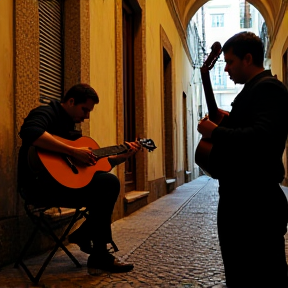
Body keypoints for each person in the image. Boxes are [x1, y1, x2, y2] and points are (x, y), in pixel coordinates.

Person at [17, 83, 141, 276]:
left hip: (62, 185)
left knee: (106, 182)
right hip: (39, 187)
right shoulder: (46, 112)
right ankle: (92, 246)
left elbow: (86, 169)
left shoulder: (70, 128)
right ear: (71, 101)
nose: (87, 116)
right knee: (108, 184)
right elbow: (30, 132)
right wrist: (73, 150)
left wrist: (120, 157)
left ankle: (89, 241)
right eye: (85, 109)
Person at [198, 31, 288, 288]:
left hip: (256, 203)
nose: (225, 69)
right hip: (242, 199)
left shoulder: (268, 88)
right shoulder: (254, 90)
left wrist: (214, 132)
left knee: (264, 274)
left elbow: (262, 137)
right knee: (240, 271)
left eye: (230, 62)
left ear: (248, 59)